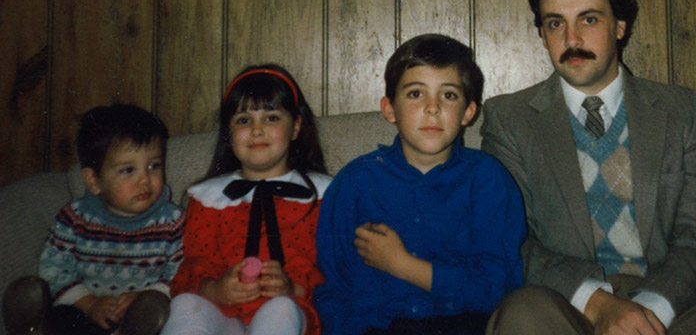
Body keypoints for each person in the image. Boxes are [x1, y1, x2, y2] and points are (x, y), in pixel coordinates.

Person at [481, 0, 696, 335]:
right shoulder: (510, 119)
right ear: (543, 35)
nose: (571, 38)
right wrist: (599, 305)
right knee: (522, 313)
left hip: (674, 306)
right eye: (555, 23)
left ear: (619, 26)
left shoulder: (681, 110)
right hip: (568, 306)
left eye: (589, 19)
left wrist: (647, 314)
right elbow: (513, 241)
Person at [314, 33, 526, 335]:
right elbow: (332, 289)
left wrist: (403, 265)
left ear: (468, 112)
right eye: (416, 93)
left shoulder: (488, 180)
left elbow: (497, 288)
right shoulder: (355, 182)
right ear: (389, 109)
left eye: (448, 95)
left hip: (463, 326)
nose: (432, 108)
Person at [164, 65, 331, 335]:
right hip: (224, 315)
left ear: (296, 127)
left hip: (290, 312)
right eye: (243, 120)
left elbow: (335, 272)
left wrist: (291, 288)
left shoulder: (324, 195)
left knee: (280, 308)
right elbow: (195, 265)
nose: (256, 130)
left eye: (271, 118)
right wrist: (217, 289)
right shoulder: (208, 198)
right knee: (184, 305)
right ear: (228, 133)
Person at [2, 104, 184, 335]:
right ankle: (32, 328)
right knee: (63, 316)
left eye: (153, 166)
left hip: (139, 318)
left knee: (161, 314)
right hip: (84, 310)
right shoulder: (75, 218)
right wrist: (88, 303)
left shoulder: (173, 221)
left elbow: (181, 271)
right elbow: (53, 269)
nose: (145, 179)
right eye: (128, 170)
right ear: (93, 181)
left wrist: (148, 295)